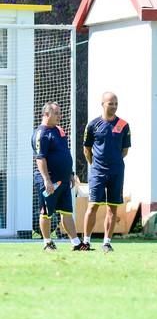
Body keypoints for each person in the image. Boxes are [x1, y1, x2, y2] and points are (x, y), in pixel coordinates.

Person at [32, 102, 88, 251]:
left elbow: (65, 153)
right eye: (56, 113)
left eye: (60, 113)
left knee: (67, 212)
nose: (60, 116)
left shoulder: (59, 130)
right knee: (46, 212)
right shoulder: (41, 133)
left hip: (63, 180)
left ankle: (76, 243)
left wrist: (70, 174)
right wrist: (46, 180)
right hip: (49, 181)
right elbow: (40, 158)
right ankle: (47, 242)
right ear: (46, 114)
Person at [83, 92, 131, 252]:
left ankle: (107, 243)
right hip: (97, 171)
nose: (114, 106)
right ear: (102, 104)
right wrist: (95, 165)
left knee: (113, 207)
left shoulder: (123, 125)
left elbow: (125, 151)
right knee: (93, 205)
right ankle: (86, 241)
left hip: (116, 171)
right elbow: (87, 149)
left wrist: (113, 162)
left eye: (116, 103)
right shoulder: (92, 125)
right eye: (111, 103)